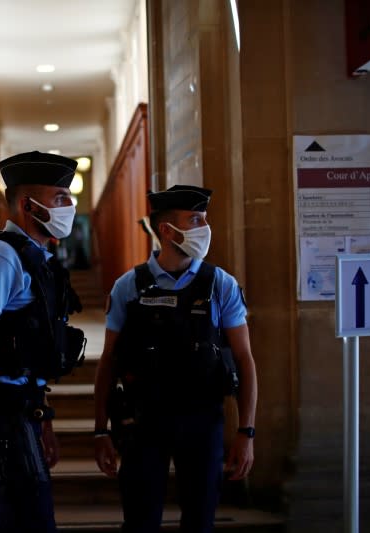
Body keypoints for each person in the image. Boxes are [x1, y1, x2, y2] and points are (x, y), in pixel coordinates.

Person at [93, 185, 258, 533]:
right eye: (195, 220)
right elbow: (108, 362)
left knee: (200, 521)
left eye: (205, 220)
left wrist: (246, 431)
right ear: (167, 231)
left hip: (202, 420)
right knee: (140, 520)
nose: (204, 229)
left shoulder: (220, 285)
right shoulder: (129, 286)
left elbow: (244, 359)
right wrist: (100, 430)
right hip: (142, 422)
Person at [0, 150, 86, 533]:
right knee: (30, 521)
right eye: (60, 198)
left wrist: (43, 419)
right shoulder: (0, 257)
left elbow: (31, 352)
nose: (69, 206)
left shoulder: (38, 258)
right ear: (30, 205)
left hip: (22, 413)